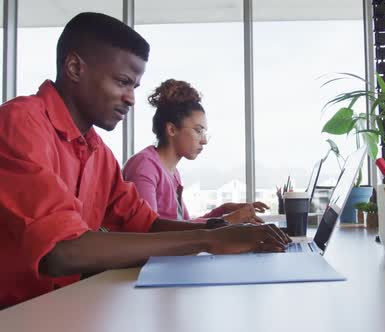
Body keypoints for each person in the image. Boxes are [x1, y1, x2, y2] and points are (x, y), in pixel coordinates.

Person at [0, 12, 289, 308]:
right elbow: (61, 252)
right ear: (75, 68)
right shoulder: (19, 124)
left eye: (134, 87)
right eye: (123, 82)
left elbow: (146, 224)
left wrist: (222, 230)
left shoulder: (97, 152)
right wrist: (208, 240)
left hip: (62, 309)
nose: (131, 99)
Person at [123, 79, 268, 224]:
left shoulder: (172, 173)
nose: (204, 140)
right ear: (172, 130)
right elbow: (149, 229)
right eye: (198, 131)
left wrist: (224, 210)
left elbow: (185, 226)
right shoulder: (145, 166)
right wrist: (228, 220)